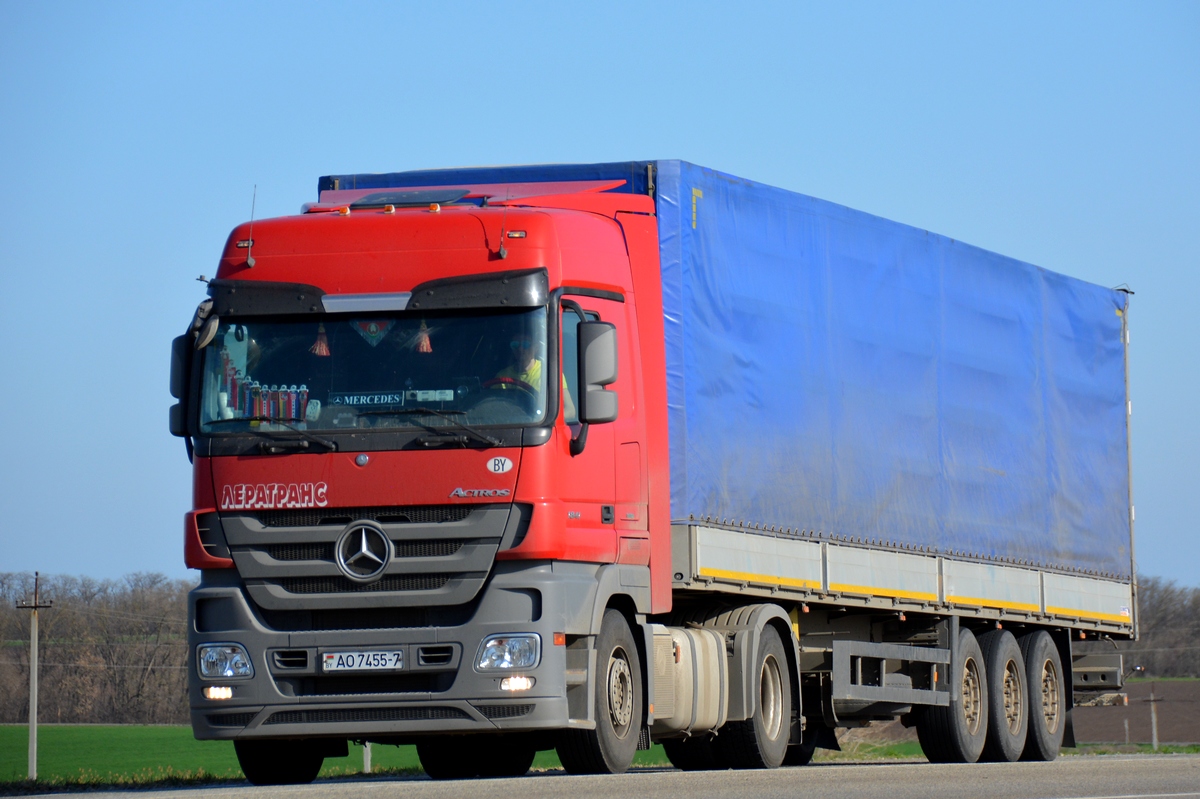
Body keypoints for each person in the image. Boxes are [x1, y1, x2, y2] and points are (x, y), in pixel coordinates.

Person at [493, 332, 576, 421]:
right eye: (515, 344)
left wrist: (540, 420)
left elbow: (570, 411)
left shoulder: (550, 374)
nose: (520, 349)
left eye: (525, 344)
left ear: (536, 348)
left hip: (538, 430)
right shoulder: (501, 377)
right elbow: (493, 409)